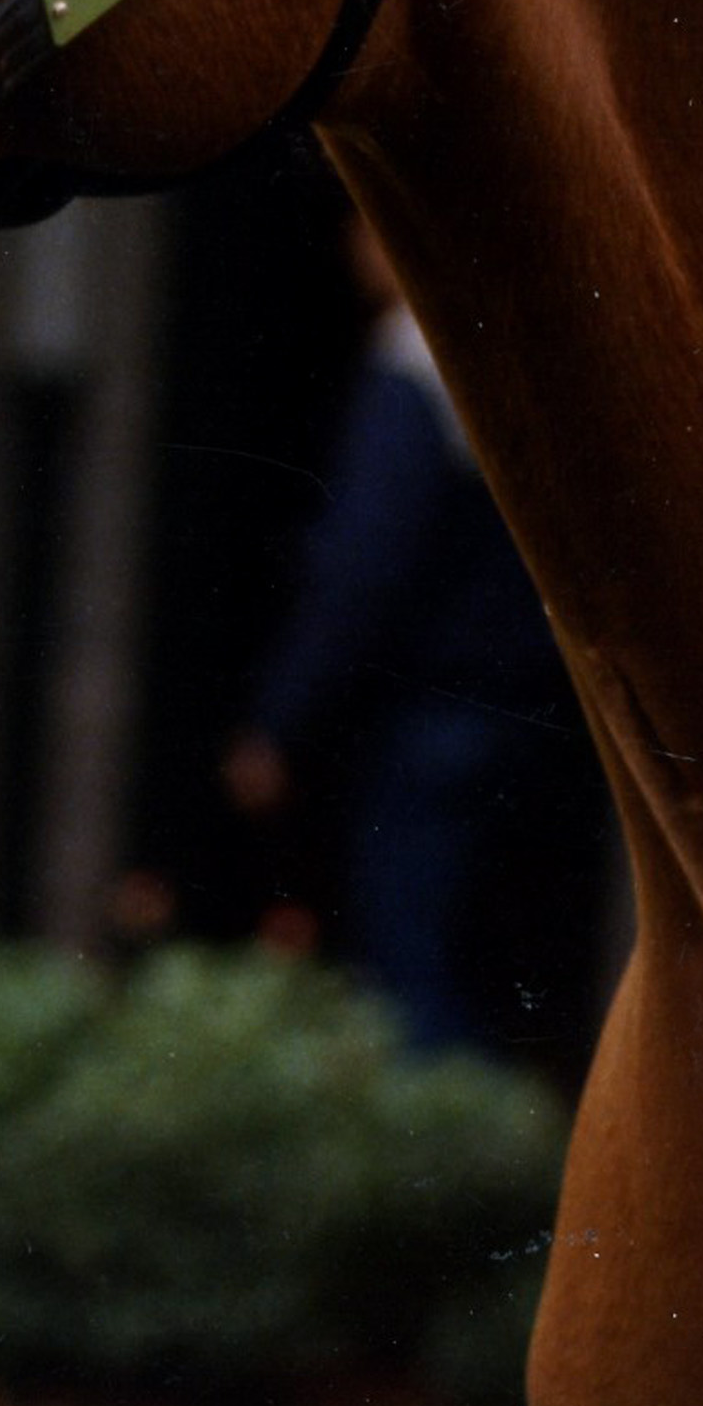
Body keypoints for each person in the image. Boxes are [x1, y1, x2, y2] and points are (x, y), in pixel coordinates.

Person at [223, 219, 611, 1087]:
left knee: (408, 961)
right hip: (516, 701)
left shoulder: (414, 362)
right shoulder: (501, 357)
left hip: (434, 707)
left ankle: (451, 1165)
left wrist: (283, 720)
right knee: (467, 952)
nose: (355, 245)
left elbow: (365, 564)